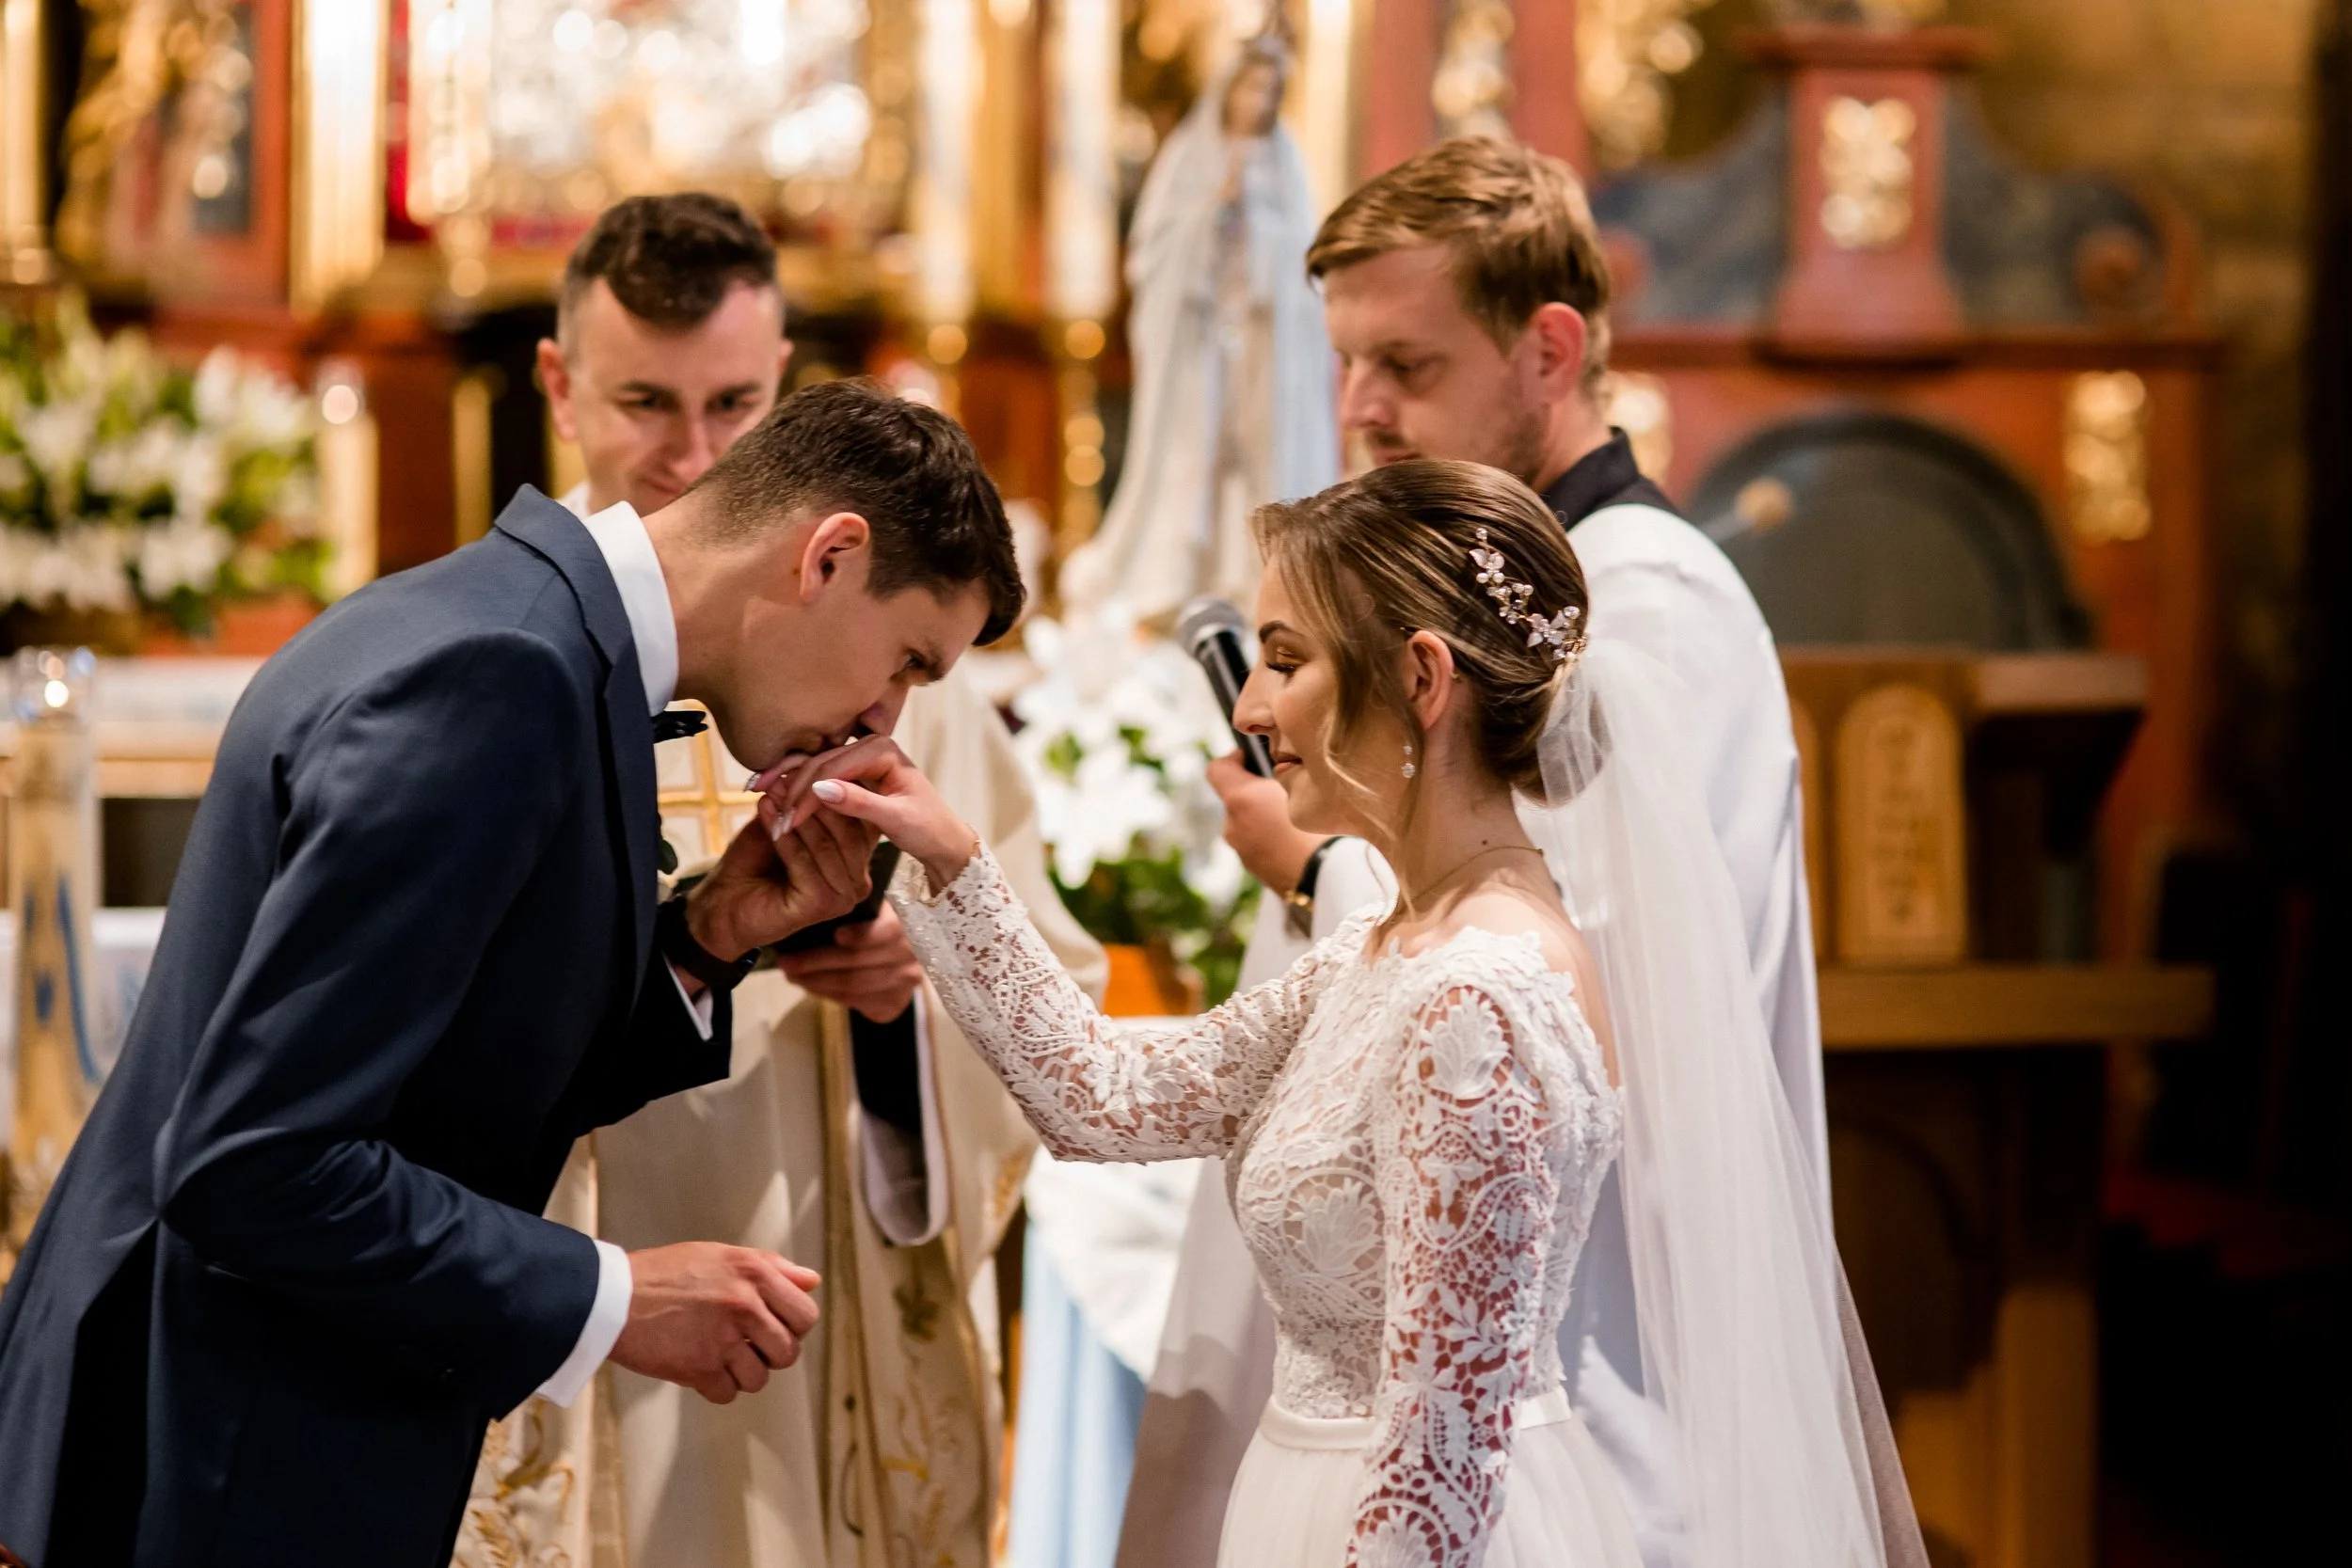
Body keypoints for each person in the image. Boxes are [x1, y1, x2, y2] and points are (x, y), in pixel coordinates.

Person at [770, 460, 1923, 1568]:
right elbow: (1105, 1098)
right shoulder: (1393, 945)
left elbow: (1444, 1449)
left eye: (1285, 658)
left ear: (1421, 679)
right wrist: (946, 861)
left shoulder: (1470, 1002)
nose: (1254, 706)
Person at [0, 375, 1023, 1568]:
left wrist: (708, 936)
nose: (882, 718)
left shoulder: (516, 619)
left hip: (241, 1412)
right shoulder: (500, 674)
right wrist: (614, 1296)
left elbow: (453, 1065)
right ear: (829, 555)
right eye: (905, 660)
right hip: (220, 1449)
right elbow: (254, 1161)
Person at [1125, 135, 1825, 1568]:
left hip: (1582, 1359)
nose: (1364, 407)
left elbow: (1591, 978)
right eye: (1349, 363)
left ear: (1549, 348)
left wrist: (1309, 866)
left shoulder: (1649, 606)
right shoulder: (1464, 585)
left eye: (1409, 362)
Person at [467, 192, 1104, 1568]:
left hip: (813, 1286)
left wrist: (905, 1006)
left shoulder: (903, 664)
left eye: (736, 403)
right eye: (647, 400)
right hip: (580, 1261)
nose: (693, 451)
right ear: (562, 387)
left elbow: (1057, 998)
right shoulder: (494, 666)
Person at [1057, 26, 1337, 625]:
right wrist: (1212, 216)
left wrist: (1262, 237)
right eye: (1250, 88)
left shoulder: (1286, 167)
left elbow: (1306, 266)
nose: (1258, 103)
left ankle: (1250, 580)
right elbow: (1154, 254)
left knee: (1257, 458)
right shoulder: (1190, 159)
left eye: (1270, 90)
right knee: (1192, 455)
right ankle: (1179, 575)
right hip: (1201, 345)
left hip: (1264, 348)